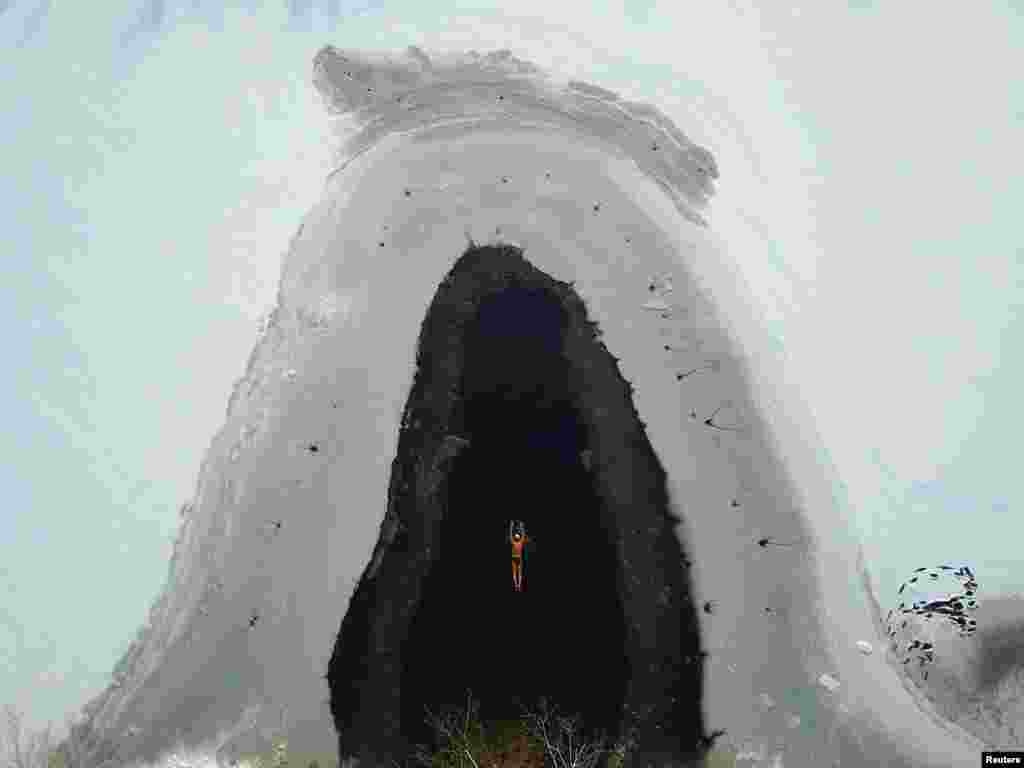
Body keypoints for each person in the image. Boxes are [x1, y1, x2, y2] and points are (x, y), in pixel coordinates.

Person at [509, 519, 530, 592]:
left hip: (517, 558)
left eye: (517, 536)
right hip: (515, 558)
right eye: (517, 536)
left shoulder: (519, 542)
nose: (517, 537)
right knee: (515, 572)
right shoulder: (515, 542)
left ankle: (518, 585)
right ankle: (516, 585)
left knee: (519, 572)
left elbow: (522, 535)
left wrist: (520, 527)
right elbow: (511, 535)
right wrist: (512, 526)